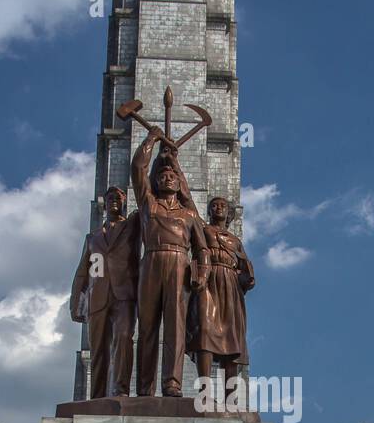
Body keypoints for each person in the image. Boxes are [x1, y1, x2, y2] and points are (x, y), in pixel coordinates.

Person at [131, 124, 208, 396]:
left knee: (175, 327)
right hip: (151, 260)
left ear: (179, 183)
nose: (167, 179)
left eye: (172, 176)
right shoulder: (147, 203)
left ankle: (172, 382)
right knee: (148, 325)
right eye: (162, 175)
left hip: (179, 264)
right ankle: (144, 386)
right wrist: (150, 140)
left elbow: (202, 248)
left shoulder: (189, 215)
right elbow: (137, 170)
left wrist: (203, 272)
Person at [69, 184, 141, 399]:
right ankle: (97, 396)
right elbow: (82, 272)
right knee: (98, 348)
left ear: (125, 202)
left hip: (124, 294)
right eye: (110, 199)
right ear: (105, 204)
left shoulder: (132, 227)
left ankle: (121, 389)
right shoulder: (92, 238)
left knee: (124, 338)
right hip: (97, 296)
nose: (114, 202)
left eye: (118, 198)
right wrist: (76, 303)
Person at [188, 195, 254, 394]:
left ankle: (230, 396)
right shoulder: (202, 229)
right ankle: (205, 391)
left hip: (230, 287)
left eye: (222, 206)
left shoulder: (236, 241)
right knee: (204, 330)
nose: (218, 208)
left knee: (232, 339)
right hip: (208, 280)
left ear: (229, 214)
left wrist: (247, 277)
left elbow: (245, 268)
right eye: (214, 205)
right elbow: (188, 204)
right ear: (208, 211)